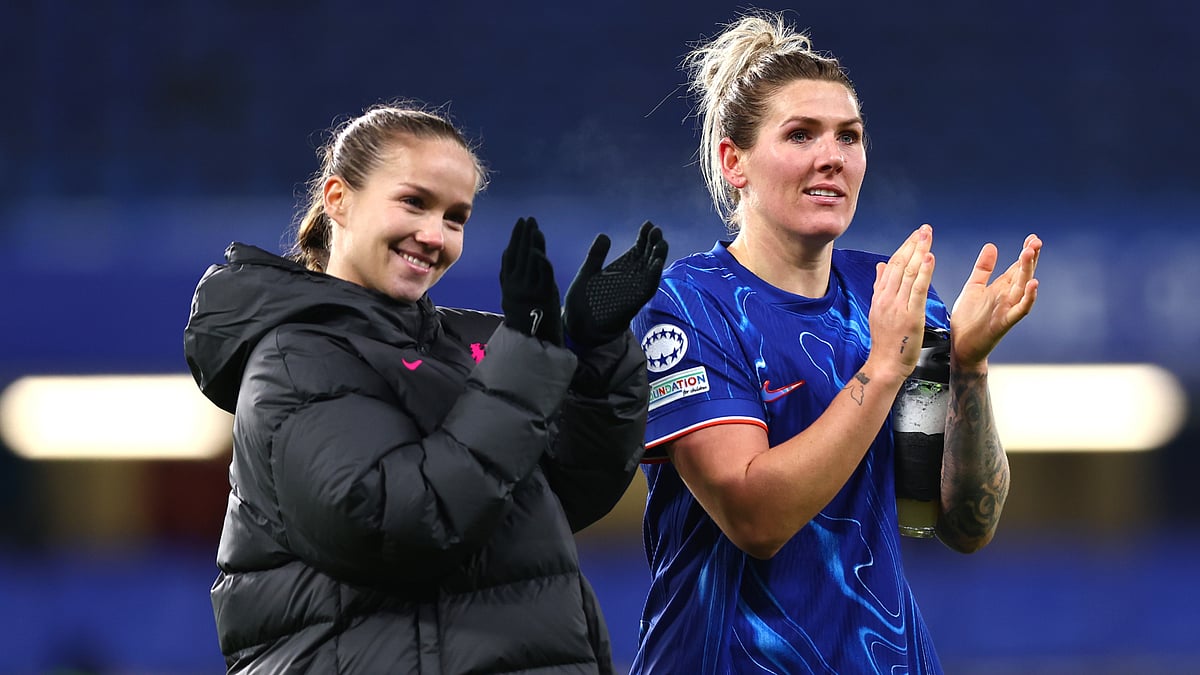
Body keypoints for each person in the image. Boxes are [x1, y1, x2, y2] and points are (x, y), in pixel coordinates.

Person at [183, 101, 668, 673]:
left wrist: (596, 355)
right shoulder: (296, 357)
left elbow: (567, 493)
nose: (434, 235)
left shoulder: (477, 342)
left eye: (456, 217)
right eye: (414, 202)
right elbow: (397, 527)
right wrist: (524, 364)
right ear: (338, 199)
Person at [629, 11, 1042, 674]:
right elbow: (756, 520)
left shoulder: (893, 299)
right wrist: (884, 369)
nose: (833, 156)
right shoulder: (689, 305)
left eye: (849, 136)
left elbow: (954, 523)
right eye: (801, 134)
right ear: (734, 161)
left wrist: (968, 367)